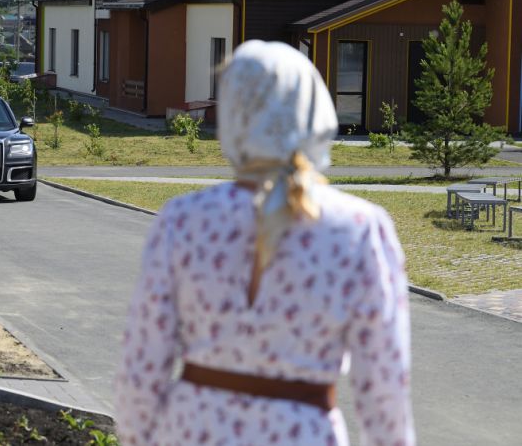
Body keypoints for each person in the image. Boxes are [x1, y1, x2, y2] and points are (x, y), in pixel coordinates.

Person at [114, 41, 414, 445]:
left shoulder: (182, 222)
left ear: (234, 113)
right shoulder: (360, 229)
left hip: (190, 432)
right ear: (313, 108)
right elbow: (384, 387)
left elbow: (141, 366)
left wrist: (136, 438)